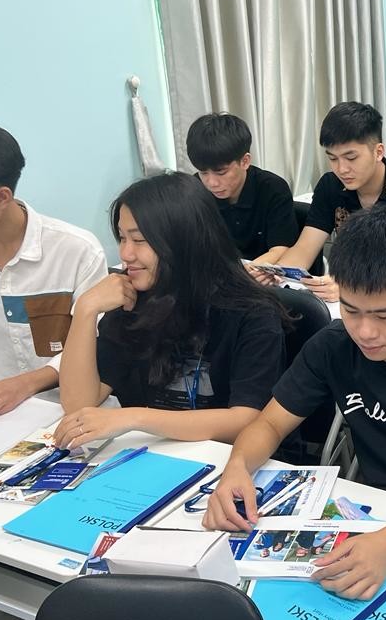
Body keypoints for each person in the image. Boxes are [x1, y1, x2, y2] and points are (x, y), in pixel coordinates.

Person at [203, 205, 386, 600]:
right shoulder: (333, 346)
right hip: (376, 510)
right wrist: (237, 467)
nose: (365, 331)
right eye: (351, 310)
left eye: (384, 316)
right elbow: (270, 423)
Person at [53, 172, 286, 448]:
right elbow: (78, 404)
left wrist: (134, 418)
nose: (125, 254)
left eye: (139, 240)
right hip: (153, 452)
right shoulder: (131, 297)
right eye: (122, 238)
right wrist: (85, 310)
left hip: (226, 457)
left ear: (183, 240)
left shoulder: (252, 313)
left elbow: (246, 420)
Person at [0, 121, 106, 420]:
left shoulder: (76, 251)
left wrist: (25, 384)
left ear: (2, 197)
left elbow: (102, 345)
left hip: (74, 414)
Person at [251, 102, 386, 302]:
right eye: (333, 159)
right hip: (343, 300)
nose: (342, 169)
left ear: (378, 152)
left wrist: (350, 286)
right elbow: (305, 247)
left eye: (351, 158)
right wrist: (279, 273)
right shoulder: (330, 185)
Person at [186, 112, 299, 261]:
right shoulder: (195, 190)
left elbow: (280, 249)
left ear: (245, 161)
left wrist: (244, 272)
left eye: (221, 172)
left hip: (263, 269)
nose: (212, 183)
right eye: (203, 172)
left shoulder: (273, 189)